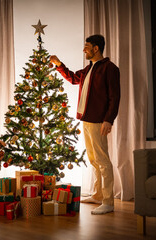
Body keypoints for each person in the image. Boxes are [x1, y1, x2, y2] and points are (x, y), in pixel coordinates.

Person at [50, 34, 120, 215]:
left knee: (103, 161)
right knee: (94, 160)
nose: (84, 50)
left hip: (99, 121)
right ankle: (97, 194)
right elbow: (73, 78)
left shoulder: (110, 69)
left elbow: (115, 97)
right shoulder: (89, 69)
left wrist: (108, 119)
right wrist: (59, 64)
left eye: (86, 47)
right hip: (87, 120)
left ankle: (108, 201)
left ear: (96, 48)